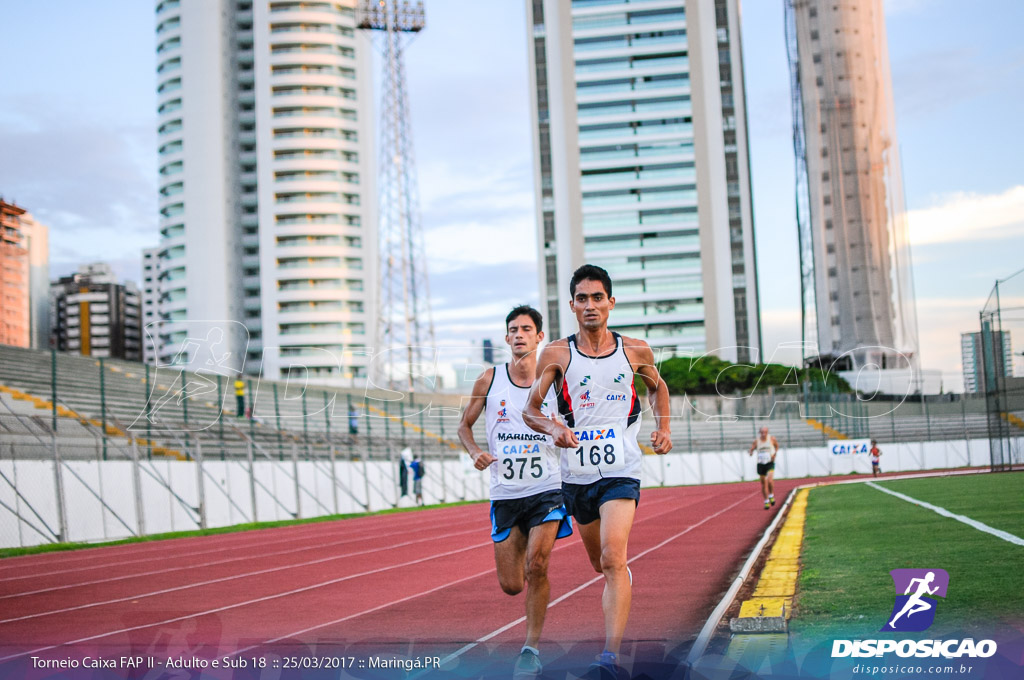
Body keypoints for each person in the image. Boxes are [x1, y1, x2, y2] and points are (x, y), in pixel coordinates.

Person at [524, 264, 672, 676]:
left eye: (597, 297)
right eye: (582, 298)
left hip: (621, 469)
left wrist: (664, 427)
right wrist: (554, 427)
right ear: (572, 305)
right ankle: (619, 578)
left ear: (611, 302)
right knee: (601, 563)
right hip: (576, 476)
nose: (590, 305)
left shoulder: (635, 349)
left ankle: (611, 657)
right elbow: (530, 409)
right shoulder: (556, 353)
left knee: (611, 557)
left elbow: (657, 387)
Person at [458, 305, 573, 679]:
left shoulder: (555, 382)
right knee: (511, 584)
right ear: (506, 338)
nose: (519, 334)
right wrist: (476, 451)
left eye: (526, 329)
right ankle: (527, 584)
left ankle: (531, 648)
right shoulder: (489, 380)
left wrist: (562, 430)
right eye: (513, 329)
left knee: (537, 566)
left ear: (540, 337)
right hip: (506, 493)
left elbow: (578, 424)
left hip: (547, 489)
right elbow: (464, 426)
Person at [748, 426, 779, 509]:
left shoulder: (771, 439)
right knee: (763, 483)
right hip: (761, 464)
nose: (763, 434)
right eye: (762, 432)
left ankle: (771, 495)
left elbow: (776, 446)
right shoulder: (757, 441)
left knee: (770, 480)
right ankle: (766, 501)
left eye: (765, 432)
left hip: (770, 463)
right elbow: (752, 449)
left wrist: (774, 455)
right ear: (759, 433)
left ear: (767, 432)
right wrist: (750, 452)